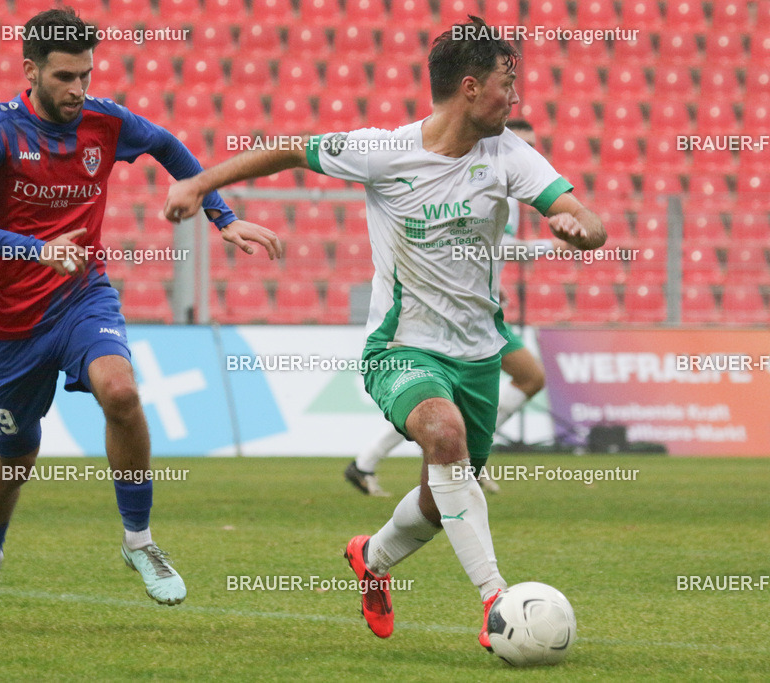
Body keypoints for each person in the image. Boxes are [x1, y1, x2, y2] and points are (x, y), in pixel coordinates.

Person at [163, 16, 604, 650]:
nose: (517, 98)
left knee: (437, 499)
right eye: (510, 85)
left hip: (479, 355)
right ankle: (496, 605)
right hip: (400, 349)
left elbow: (584, 217)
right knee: (444, 437)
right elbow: (290, 148)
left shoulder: (510, 154)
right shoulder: (384, 152)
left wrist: (580, 231)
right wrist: (201, 184)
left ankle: (370, 557)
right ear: (472, 87)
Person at [0, 6, 281, 633]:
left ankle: (139, 540)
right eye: (65, 76)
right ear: (30, 71)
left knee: (121, 391)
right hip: (4, 327)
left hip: (80, 296)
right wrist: (36, 249)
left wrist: (221, 215)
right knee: (14, 462)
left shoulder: (103, 122)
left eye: (86, 74)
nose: (78, 89)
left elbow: (172, 149)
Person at [344, 119, 570, 498]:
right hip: (451, 317)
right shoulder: (484, 186)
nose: (526, 151)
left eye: (532, 146)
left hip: (479, 313)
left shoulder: (507, 193)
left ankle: (370, 462)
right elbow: (487, 251)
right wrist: (548, 249)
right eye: (520, 143)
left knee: (505, 386)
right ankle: (390, 462)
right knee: (517, 381)